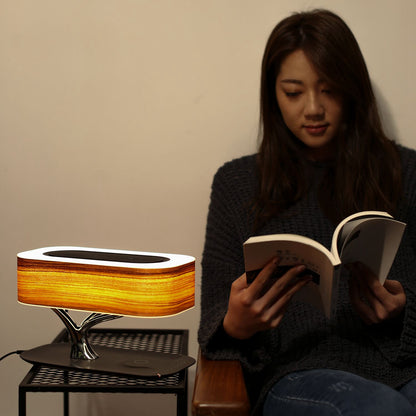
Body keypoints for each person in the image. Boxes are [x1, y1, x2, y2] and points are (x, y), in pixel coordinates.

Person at [198, 9, 416, 416]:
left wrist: (401, 312)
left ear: (352, 90)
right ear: (273, 96)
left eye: (329, 90)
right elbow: (214, 314)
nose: (313, 109)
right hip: (297, 373)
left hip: (402, 366)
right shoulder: (238, 183)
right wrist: (236, 324)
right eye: (294, 92)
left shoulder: (406, 172)